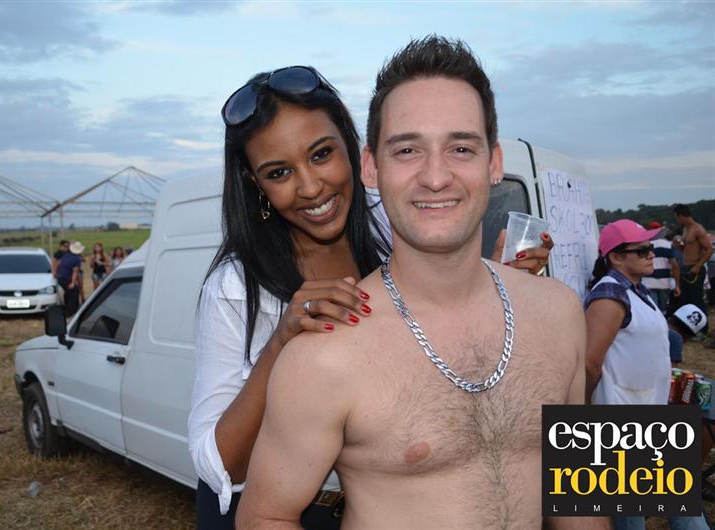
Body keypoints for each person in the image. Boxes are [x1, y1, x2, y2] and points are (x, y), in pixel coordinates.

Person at [236, 37, 593, 530]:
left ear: (493, 163)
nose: (436, 177)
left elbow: (580, 494)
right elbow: (264, 516)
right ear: (371, 166)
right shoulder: (322, 356)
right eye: (407, 150)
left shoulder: (561, 312)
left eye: (460, 148)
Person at [584, 220, 707, 530]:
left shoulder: (637, 290)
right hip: (622, 426)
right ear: (616, 257)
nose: (651, 254)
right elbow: (589, 362)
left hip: (652, 420)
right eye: (641, 250)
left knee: (684, 512)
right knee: (634, 520)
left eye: (650, 247)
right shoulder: (610, 293)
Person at [674, 203, 712, 335]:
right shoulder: (685, 229)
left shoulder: (698, 229)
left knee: (696, 299)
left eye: (676, 218)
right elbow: (687, 250)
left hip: (696, 268)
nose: (677, 221)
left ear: (681, 216)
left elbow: (709, 250)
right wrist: (679, 246)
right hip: (686, 267)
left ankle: (703, 330)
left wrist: (697, 266)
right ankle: (690, 329)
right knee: (686, 299)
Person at [641, 221, 680, 315]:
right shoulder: (669, 245)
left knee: (653, 311)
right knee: (663, 310)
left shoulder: (644, 245)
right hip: (664, 283)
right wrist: (677, 285)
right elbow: (675, 265)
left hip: (648, 283)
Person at [56, 241, 84, 317]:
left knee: (68, 292)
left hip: (60, 278)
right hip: (67, 278)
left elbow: (58, 264)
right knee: (74, 291)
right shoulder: (77, 258)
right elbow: (75, 271)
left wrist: (56, 273)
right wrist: (73, 282)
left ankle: (67, 310)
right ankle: (71, 311)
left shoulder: (65, 255)